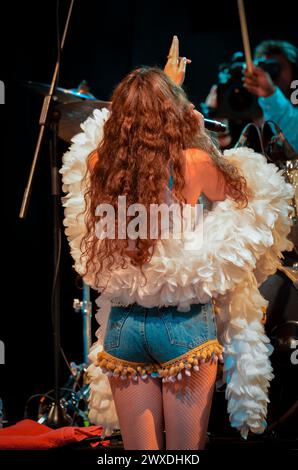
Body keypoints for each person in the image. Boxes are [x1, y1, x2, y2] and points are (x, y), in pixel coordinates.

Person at [60, 36, 294, 449]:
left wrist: (154, 91)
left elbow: (110, 132)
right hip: (184, 325)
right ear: (172, 114)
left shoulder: (99, 163)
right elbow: (247, 195)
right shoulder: (195, 162)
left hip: (125, 328)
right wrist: (194, 128)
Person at [244, 40, 298, 152]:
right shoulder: (247, 106)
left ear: (294, 71)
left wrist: (271, 94)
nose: (272, 74)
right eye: (266, 68)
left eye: (278, 67)